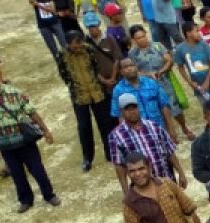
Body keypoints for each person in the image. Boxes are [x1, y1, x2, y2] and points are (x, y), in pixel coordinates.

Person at [0, 67, 61, 214]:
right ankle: (25, 200)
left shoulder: (13, 92)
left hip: (24, 141)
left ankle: (49, 195)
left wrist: (45, 130)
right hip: (5, 145)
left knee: (38, 170)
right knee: (17, 174)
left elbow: (31, 112)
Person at [57, 30, 117, 172]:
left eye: (79, 45)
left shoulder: (88, 50)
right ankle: (87, 158)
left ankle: (110, 152)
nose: (78, 48)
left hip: (96, 92)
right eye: (74, 46)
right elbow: (64, 74)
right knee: (84, 127)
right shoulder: (62, 54)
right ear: (68, 44)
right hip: (79, 95)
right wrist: (75, 86)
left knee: (105, 123)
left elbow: (96, 69)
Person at [109, 93, 187, 191]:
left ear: (139, 107)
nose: (132, 112)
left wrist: (181, 173)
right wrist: (126, 191)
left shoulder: (155, 127)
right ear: (121, 112)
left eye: (134, 107)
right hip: (142, 188)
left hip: (166, 180)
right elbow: (119, 165)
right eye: (127, 109)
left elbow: (169, 151)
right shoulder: (116, 136)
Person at [129, 25, 195, 141]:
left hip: (164, 81)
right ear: (133, 40)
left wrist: (161, 71)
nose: (142, 39)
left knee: (174, 107)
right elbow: (134, 70)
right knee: (157, 109)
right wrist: (147, 75)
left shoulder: (157, 46)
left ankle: (184, 128)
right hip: (147, 85)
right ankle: (169, 133)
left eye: (143, 36)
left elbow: (169, 60)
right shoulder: (133, 53)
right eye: (138, 38)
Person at [110, 58, 178, 140]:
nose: (129, 68)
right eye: (125, 67)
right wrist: (127, 138)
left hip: (159, 130)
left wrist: (171, 130)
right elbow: (120, 116)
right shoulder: (118, 90)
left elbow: (164, 106)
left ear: (136, 67)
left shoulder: (151, 83)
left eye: (131, 65)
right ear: (121, 71)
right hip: (139, 137)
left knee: (169, 153)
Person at [175, 21, 210, 106]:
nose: (199, 33)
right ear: (188, 33)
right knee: (207, 108)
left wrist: (207, 81)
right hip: (197, 85)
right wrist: (190, 83)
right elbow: (180, 67)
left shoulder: (204, 44)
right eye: (196, 31)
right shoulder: (180, 49)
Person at [85, 11, 124, 103]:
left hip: (116, 78)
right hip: (101, 82)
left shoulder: (109, 38)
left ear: (98, 24)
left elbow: (117, 58)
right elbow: (90, 65)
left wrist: (113, 78)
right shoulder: (86, 42)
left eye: (94, 25)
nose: (93, 29)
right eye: (90, 26)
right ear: (87, 27)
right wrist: (104, 81)